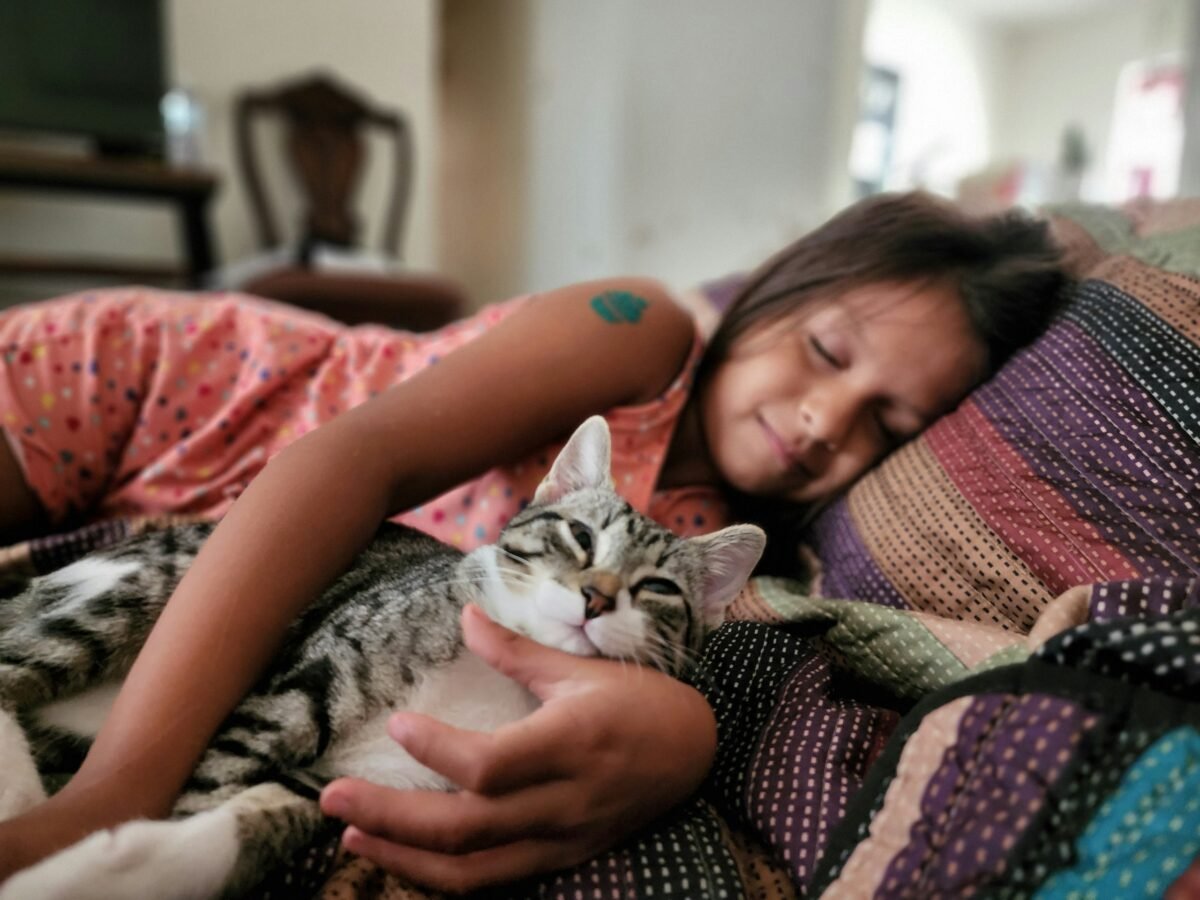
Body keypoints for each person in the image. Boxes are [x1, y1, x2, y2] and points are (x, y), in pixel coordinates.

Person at [0, 191, 1066, 891]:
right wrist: (118, 793)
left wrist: (683, 735)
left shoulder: (727, 549)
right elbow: (353, 460)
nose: (828, 420)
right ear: (771, 295)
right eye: (828, 351)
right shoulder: (641, 331)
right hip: (150, 394)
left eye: (889, 423)